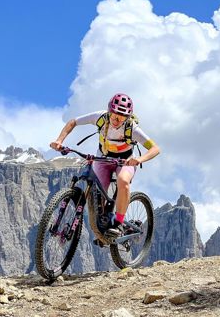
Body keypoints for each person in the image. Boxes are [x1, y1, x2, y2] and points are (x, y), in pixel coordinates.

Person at [50, 93, 160, 238]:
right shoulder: (100, 117)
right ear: (109, 111)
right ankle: (103, 229)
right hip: (103, 158)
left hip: (125, 160)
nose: (117, 119)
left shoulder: (132, 129)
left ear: (128, 116)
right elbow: (73, 122)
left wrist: (139, 159)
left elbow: (155, 149)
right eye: (115, 114)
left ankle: (118, 221)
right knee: (98, 193)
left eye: (122, 116)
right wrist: (59, 141)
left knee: (123, 180)